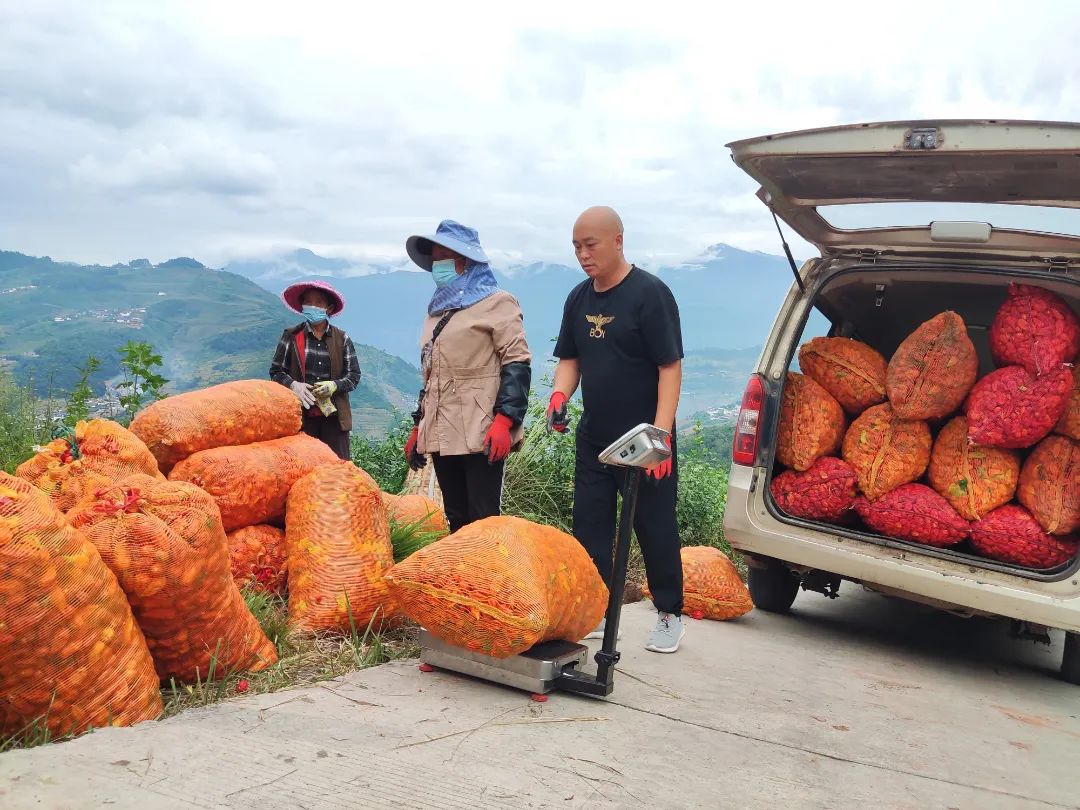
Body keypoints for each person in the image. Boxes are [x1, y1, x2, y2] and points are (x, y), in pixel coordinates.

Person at [548, 206, 686, 654]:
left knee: (654, 526)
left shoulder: (650, 294)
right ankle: (598, 610)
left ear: (618, 240)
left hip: (645, 440)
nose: (583, 254)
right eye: (576, 246)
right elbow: (570, 358)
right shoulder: (577, 298)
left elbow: (670, 366)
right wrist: (559, 397)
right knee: (590, 526)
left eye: (590, 245)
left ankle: (669, 613)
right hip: (594, 436)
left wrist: (661, 436)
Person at [403, 220, 532, 533]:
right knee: (457, 518)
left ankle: (491, 580)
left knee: (484, 519)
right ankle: (465, 580)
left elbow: (517, 362)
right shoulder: (436, 312)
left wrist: (505, 421)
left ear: (467, 261)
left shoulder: (497, 303)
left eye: (445, 256)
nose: (438, 265)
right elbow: (432, 374)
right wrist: (419, 427)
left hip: (480, 428)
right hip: (441, 430)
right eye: (435, 258)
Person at [270, 280, 361, 460]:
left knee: (338, 468)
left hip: (334, 418)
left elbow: (354, 376)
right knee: (304, 467)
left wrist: (334, 385)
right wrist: (294, 385)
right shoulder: (291, 336)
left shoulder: (341, 338)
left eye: (319, 302)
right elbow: (276, 371)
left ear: (329, 307)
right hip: (302, 418)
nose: (313, 306)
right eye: (308, 302)